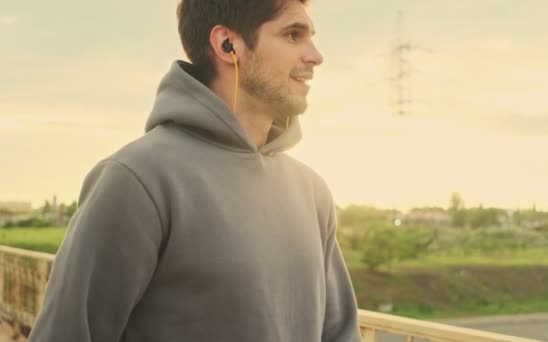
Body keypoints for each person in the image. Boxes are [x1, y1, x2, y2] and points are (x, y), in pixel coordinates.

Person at [28, 0, 362, 341]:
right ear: (227, 44)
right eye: (293, 35)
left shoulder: (311, 191)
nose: (315, 56)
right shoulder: (138, 179)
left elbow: (340, 334)